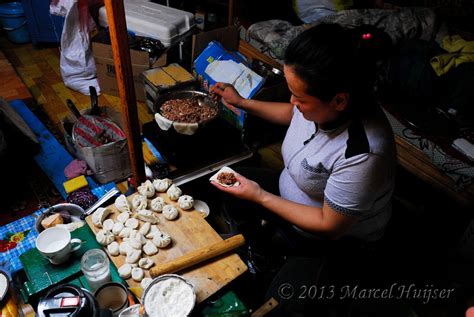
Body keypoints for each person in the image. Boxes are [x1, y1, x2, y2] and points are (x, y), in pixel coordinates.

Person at [210, 23, 395, 267]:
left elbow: (329, 226)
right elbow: (293, 115)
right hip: (292, 188)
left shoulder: (364, 154)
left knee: (286, 295)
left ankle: (269, 256)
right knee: (225, 181)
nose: (292, 101)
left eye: (300, 98)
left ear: (339, 100)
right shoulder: (321, 107)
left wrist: (260, 196)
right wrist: (243, 102)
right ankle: (256, 241)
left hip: (332, 239)